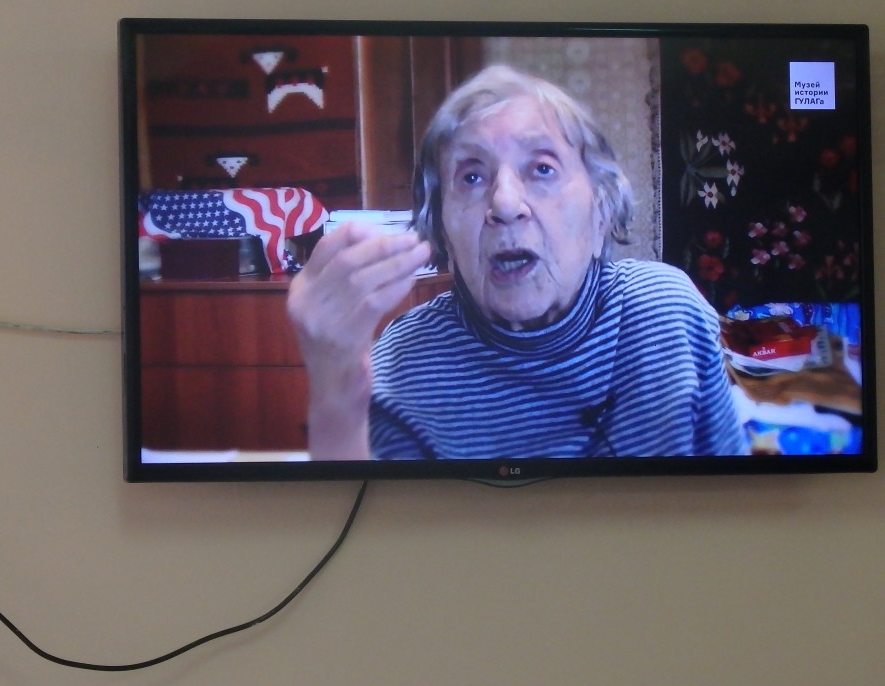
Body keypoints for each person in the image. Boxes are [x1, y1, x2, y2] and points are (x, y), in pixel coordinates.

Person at [287, 65, 746, 460]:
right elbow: (369, 523)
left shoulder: (668, 314)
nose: (505, 204)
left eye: (542, 168)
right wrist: (334, 390)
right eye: (471, 176)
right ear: (442, 230)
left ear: (601, 213)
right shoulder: (403, 366)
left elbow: (730, 503)